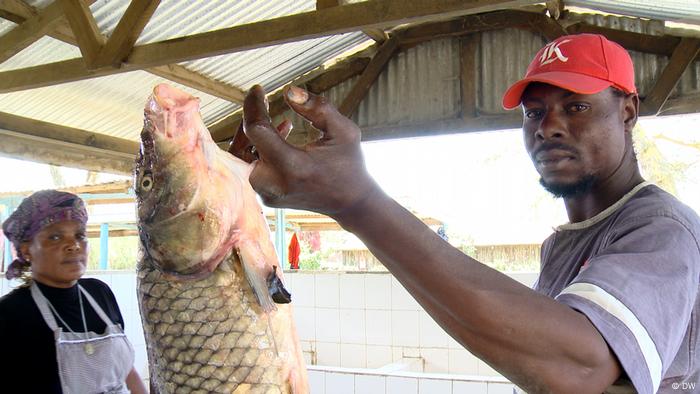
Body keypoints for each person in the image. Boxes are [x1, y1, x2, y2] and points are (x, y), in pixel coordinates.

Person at [234, 33, 699, 393]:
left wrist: (356, 203)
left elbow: (578, 367)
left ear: (628, 111)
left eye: (576, 107)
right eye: (534, 113)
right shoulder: (567, 243)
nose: (549, 127)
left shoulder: (662, 230)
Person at [0, 190, 147, 393]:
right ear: (26, 250)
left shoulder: (99, 293)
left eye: (80, 235)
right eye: (55, 236)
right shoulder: (11, 313)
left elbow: (126, 371)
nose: (73, 245)